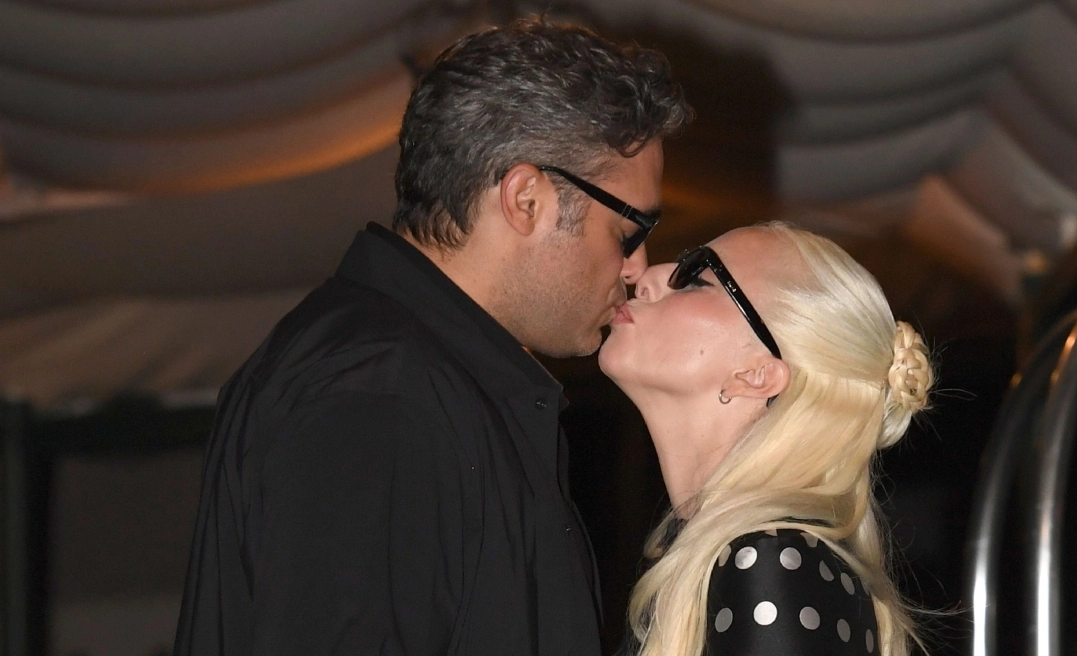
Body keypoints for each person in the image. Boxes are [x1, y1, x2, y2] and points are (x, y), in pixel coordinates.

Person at [174, 17, 691, 655]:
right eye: (629, 231)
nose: (638, 267)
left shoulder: (416, 379)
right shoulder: (381, 393)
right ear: (526, 200)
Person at [598, 222, 934, 656]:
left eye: (697, 279)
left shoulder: (769, 560)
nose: (647, 277)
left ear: (757, 373)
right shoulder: (764, 556)